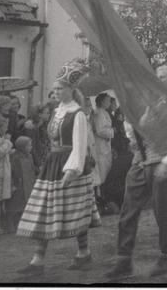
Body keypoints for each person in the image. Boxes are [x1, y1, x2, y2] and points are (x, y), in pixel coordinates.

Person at [105, 64, 167, 280]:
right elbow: (140, 124)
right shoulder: (151, 99)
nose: (159, 78)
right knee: (128, 209)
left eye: (164, 75)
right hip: (141, 157)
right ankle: (123, 259)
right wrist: (134, 136)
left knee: (161, 211)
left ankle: (166, 256)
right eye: (157, 75)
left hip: (162, 158)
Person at [17, 60, 100, 274]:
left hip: (70, 165)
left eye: (60, 89)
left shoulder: (78, 114)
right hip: (52, 164)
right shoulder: (59, 111)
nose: (55, 92)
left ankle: (83, 253)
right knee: (46, 208)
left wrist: (71, 171)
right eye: (54, 89)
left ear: (71, 90)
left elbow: (80, 147)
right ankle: (37, 260)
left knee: (76, 210)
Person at [6, 136, 35, 233]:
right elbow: (12, 171)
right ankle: (11, 225)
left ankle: (24, 224)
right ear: (22, 147)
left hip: (28, 183)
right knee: (14, 205)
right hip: (18, 184)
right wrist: (12, 184)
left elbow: (31, 170)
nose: (31, 147)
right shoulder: (15, 157)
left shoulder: (29, 156)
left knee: (25, 204)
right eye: (29, 145)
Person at [91, 92, 115, 202]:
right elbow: (100, 130)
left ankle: (104, 195)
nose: (110, 103)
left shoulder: (104, 112)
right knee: (102, 170)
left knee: (105, 168)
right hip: (100, 145)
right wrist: (112, 132)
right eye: (108, 101)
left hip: (105, 145)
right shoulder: (99, 114)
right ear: (102, 102)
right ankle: (100, 196)